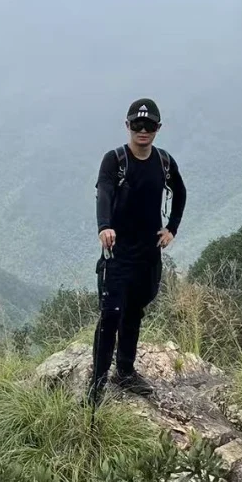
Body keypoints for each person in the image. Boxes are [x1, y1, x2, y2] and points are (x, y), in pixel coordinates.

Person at [89, 98, 187, 402]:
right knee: (110, 317)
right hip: (117, 253)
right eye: (137, 124)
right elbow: (104, 190)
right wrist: (104, 225)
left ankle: (126, 371)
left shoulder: (164, 162)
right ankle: (97, 385)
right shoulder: (115, 160)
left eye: (150, 125)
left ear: (159, 128)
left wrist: (172, 229)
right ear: (127, 125)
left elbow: (180, 193)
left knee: (134, 313)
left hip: (148, 254)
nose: (143, 130)